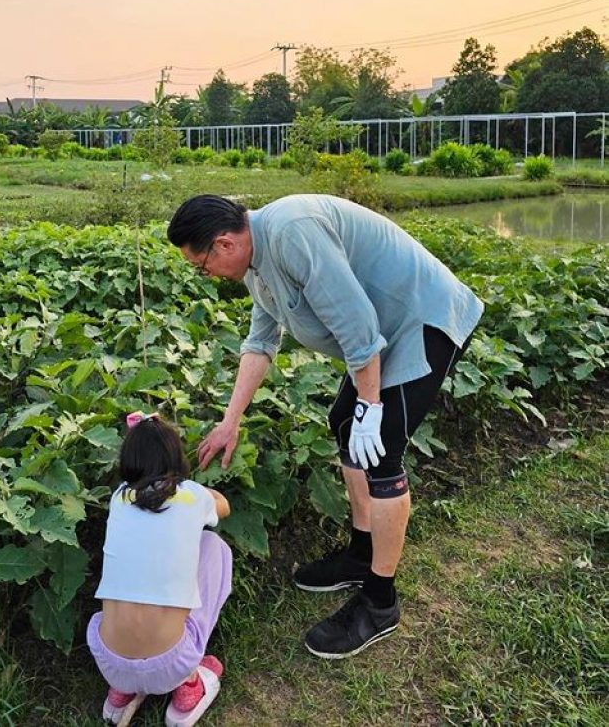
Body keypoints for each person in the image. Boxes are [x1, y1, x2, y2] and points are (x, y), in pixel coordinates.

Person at [167, 193, 483, 659]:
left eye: (201, 264)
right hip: (380, 336)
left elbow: (358, 328)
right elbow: (260, 343)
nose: (205, 274)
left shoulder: (293, 232)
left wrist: (371, 409)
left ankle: (379, 603)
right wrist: (229, 422)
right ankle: (360, 553)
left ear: (223, 244)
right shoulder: (256, 261)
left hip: (420, 321)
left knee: (381, 449)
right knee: (343, 425)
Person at [87, 410, 233, 726]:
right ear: (177, 458)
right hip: (172, 663)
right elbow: (223, 506)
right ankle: (189, 685)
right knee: (213, 547)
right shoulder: (191, 495)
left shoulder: (118, 498)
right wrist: (196, 488)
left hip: (109, 660)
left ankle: (122, 691)